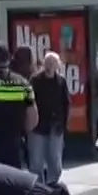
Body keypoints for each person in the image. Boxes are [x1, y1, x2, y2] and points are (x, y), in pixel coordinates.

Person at [28, 51, 71, 185]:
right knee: (36, 162)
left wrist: (64, 124)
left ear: (58, 65)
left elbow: (66, 103)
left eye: (53, 63)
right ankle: (39, 188)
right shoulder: (35, 80)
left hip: (55, 127)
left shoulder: (61, 81)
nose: (50, 66)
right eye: (48, 63)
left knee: (55, 162)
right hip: (38, 126)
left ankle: (51, 185)